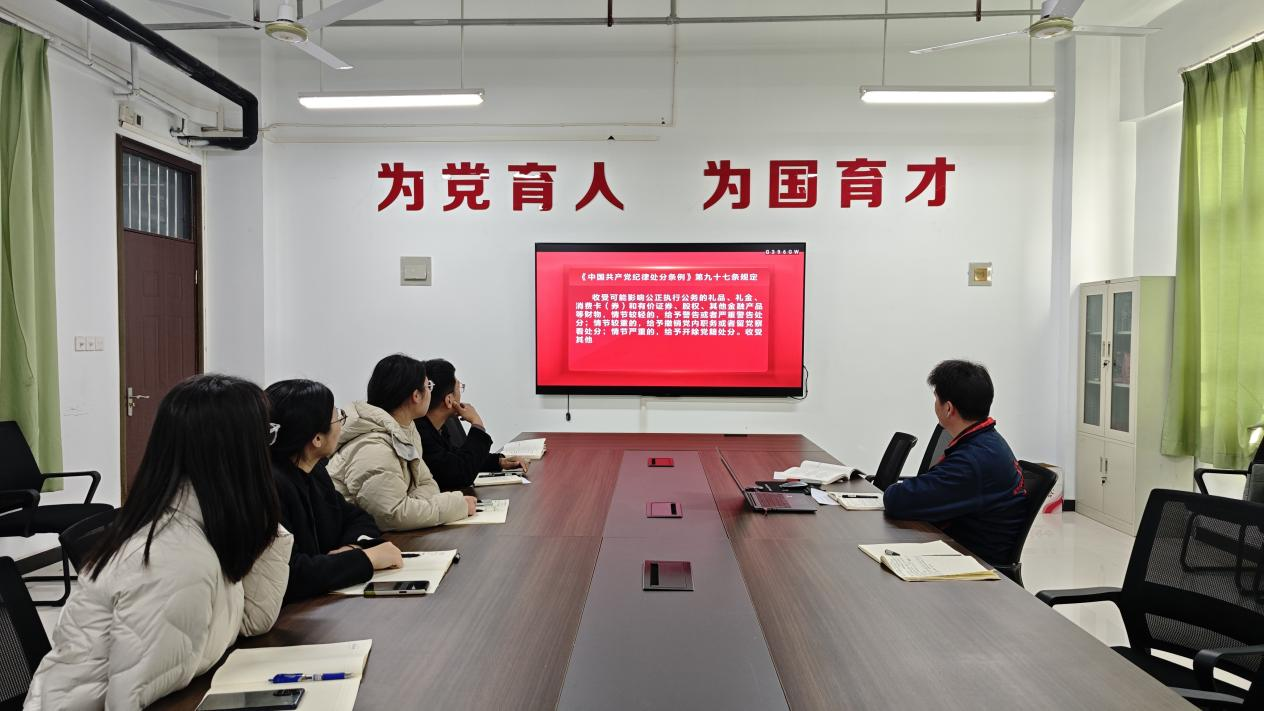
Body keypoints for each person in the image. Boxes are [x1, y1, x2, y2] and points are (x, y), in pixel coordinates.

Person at [24, 375, 293, 710]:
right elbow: (127, 702)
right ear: (237, 453)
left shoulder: (206, 529)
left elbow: (253, 621)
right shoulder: (172, 559)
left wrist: (264, 526)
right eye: (265, 436)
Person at [266, 379, 404, 602]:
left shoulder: (315, 472)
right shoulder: (270, 487)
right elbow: (291, 574)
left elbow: (358, 518)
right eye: (337, 416)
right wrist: (366, 559)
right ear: (317, 438)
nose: (341, 423)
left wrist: (351, 548)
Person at [883, 360, 1028, 566]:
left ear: (948, 408)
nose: (935, 405)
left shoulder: (973, 460)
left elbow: (897, 500)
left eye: (936, 399)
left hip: (973, 566)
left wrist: (898, 490)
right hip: (961, 549)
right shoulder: (987, 441)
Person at [329, 354, 476, 530]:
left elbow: (428, 483)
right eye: (428, 386)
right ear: (416, 396)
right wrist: (455, 505)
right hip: (355, 540)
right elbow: (393, 515)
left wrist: (412, 504)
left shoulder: (406, 430)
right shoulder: (372, 447)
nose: (431, 392)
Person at [416, 358, 530, 492]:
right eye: (459, 388)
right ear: (449, 400)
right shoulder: (420, 434)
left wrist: (498, 462)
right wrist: (477, 423)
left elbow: (455, 458)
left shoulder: (436, 426)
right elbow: (461, 474)